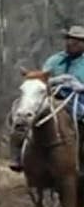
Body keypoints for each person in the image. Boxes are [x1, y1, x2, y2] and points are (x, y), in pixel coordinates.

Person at [9, 25, 84, 172]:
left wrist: (79, 85)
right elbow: (41, 78)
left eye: (77, 40)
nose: (72, 43)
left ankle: (80, 157)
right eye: (70, 39)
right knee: (20, 112)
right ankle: (18, 154)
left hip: (79, 98)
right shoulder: (55, 60)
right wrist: (57, 80)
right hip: (53, 95)